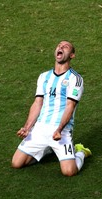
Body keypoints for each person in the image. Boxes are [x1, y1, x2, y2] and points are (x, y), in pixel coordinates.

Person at [11, 41, 92, 176]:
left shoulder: (75, 79)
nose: (60, 47)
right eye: (59, 46)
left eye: (65, 47)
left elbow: (70, 106)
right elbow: (37, 103)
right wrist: (27, 127)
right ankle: (48, 149)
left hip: (61, 132)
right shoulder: (44, 77)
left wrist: (59, 129)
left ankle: (80, 152)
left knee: (69, 172)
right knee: (16, 163)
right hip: (40, 129)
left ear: (72, 55)